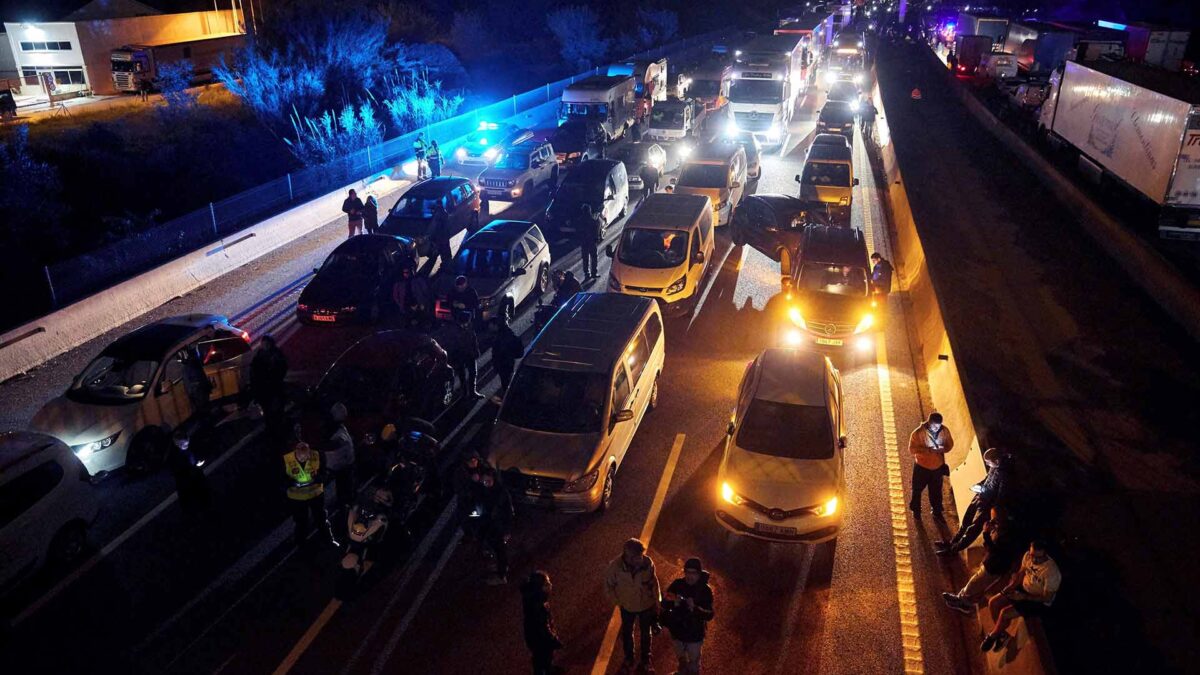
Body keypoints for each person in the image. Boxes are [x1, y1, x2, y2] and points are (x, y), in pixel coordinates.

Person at [981, 540, 1062, 653]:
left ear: (1046, 554)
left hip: (1037, 600)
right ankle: (1002, 635)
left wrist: (1023, 597)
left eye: (1039, 558)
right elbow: (1021, 574)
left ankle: (993, 635)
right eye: (1032, 555)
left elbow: (1047, 598)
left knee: (1004, 613)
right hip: (1023, 589)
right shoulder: (1028, 556)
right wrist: (1010, 587)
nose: (1034, 560)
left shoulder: (1052, 572)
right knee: (993, 603)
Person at [942, 507, 1021, 614]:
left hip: (994, 566)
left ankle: (964, 604)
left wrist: (986, 533)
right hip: (992, 563)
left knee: (974, 584)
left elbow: (994, 549)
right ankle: (960, 599)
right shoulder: (1004, 531)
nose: (991, 521)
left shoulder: (1005, 536)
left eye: (993, 519)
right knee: (975, 583)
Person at [936, 448, 1013, 555]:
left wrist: (991, 509)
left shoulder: (1005, 476)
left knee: (972, 530)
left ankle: (952, 550)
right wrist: (979, 485)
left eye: (988, 462)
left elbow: (1001, 497)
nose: (987, 464)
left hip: (987, 507)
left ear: (996, 461)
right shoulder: (995, 467)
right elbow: (988, 478)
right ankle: (952, 542)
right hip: (981, 497)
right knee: (966, 521)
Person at [604, 538, 661, 672]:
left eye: (641, 556)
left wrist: (657, 602)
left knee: (646, 633)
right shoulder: (615, 568)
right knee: (627, 633)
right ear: (627, 556)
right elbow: (608, 587)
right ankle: (629, 658)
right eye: (636, 557)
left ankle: (646, 660)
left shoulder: (648, 563)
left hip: (646, 605)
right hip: (627, 607)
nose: (640, 559)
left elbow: (654, 582)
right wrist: (619, 602)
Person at [661, 558, 715, 674]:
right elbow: (664, 603)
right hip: (677, 632)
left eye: (694, 573)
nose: (690, 576)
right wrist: (673, 602)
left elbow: (710, 614)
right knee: (682, 662)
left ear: (699, 574)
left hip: (694, 635)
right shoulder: (677, 584)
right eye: (687, 572)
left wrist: (695, 608)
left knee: (693, 665)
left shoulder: (705, 590)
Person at [283, 442, 337, 549]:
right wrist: (290, 483)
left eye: (306, 456)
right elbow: (280, 479)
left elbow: (325, 473)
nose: (304, 459)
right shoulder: (286, 460)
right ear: (295, 452)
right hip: (297, 498)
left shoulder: (317, 455)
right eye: (301, 457)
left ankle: (329, 540)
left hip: (316, 494)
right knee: (301, 522)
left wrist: (318, 479)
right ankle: (301, 545)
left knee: (321, 518)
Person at [908, 412, 953, 518]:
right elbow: (912, 449)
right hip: (921, 467)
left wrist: (944, 449)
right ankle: (916, 510)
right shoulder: (918, 433)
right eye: (935, 426)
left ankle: (937, 511)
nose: (937, 428)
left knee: (936, 491)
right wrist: (928, 450)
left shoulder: (944, 431)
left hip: (937, 468)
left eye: (939, 426)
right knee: (917, 490)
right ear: (929, 422)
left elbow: (949, 444)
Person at [250, 335, 290, 452]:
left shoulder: (276, 356)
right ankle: (272, 436)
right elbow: (254, 374)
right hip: (265, 392)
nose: (264, 346)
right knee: (269, 414)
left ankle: (277, 438)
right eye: (263, 344)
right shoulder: (259, 356)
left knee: (276, 414)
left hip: (274, 391)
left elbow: (281, 371)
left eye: (266, 344)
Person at [522, 571, 564, 675]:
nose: (550, 585)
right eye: (546, 584)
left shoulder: (534, 600)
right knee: (543, 657)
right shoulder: (538, 607)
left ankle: (547, 668)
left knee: (541, 657)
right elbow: (544, 627)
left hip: (535, 640)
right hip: (540, 641)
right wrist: (554, 639)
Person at [478, 471, 513, 585]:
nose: (486, 483)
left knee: (500, 550)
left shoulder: (501, 493)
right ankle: (500, 567)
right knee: (493, 548)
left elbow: (508, 512)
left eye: (489, 481)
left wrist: (507, 530)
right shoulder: (483, 490)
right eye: (484, 481)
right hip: (488, 526)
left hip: (499, 527)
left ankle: (502, 575)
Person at [169, 430, 210, 515]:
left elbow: (196, 454)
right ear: (177, 444)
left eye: (187, 443)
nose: (186, 445)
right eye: (184, 444)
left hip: (196, 475)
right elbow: (178, 471)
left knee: (202, 492)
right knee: (189, 498)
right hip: (187, 480)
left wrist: (198, 462)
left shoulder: (190, 447)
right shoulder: (175, 456)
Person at [323, 402, 355, 508]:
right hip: (336, 468)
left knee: (345, 492)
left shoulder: (341, 429)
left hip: (345, 466)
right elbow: (330, 446)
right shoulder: (332, 431)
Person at [448, 310, 483, 399]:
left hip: (469, 354)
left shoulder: (469, 327)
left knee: (473, 373)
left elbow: (473, 339)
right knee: (461, 374)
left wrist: (476, 351)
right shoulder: (455, 330)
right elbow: (454, 345)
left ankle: (472, 392)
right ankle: (464, 392)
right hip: (460, 355)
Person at [489, 317, 524, 400]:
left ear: (496, 325)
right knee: (508, 380)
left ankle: (509, 399)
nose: (489, 327)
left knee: (506, 382)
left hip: (504, 364)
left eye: (491, 325)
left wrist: (496, 365)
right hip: (509, 362)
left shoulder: (500, 338)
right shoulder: (509, 334)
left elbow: (497, 353)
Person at [578, 203, 602, 279]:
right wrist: (596, 238)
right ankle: (594, 273)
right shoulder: (592, 220)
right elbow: (597, 228)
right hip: (592, 242)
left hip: (584, 242)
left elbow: (578, 231)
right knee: (594, 257)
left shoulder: (580, 221)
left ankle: (586, 274)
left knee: (585, 258)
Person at [430, 200, 454, 271]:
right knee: (446, 248)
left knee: (443, 249)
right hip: (444, 235)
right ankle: (448, 262)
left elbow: (436, 225)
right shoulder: (444, 212)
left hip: (441, 236)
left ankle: (446, 264)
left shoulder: (438, 213)